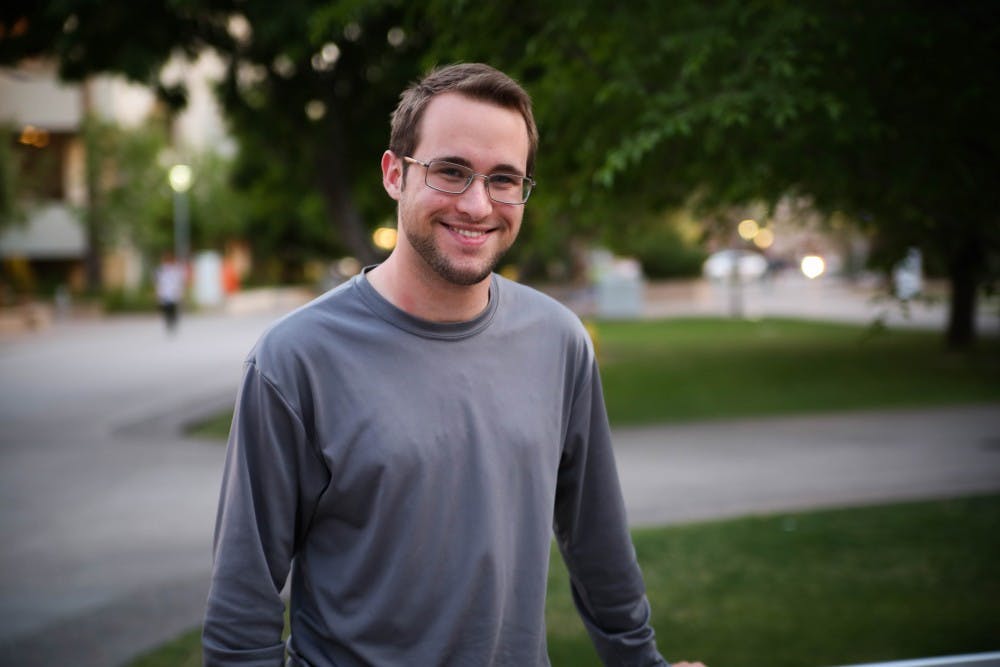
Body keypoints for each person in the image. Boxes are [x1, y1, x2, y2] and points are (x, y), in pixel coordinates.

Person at [203, 63, 705, 667]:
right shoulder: (294, 360)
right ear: (395, 174)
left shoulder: (559, 342)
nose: (477, 203)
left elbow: (596, 539)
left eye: (504, 179)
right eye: (451, 171)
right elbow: (241, 615)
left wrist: (641, 662)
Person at [154, 251, 186, 333]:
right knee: (166, 309)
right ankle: (168, 323)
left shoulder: (175, 269)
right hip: (165, 292)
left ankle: (173, 323)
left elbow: (179, 281)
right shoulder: (161, 269)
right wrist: (158, 292)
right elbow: (158, 281)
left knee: (173, 309)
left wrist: (180, 290)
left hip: (174, 292)